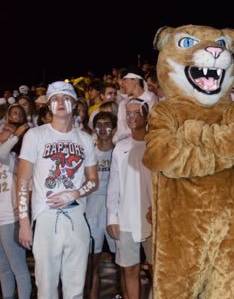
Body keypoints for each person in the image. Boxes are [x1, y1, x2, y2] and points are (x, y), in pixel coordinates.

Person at [16, 81, 99, 299]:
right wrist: (24, 222)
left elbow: (93, 180)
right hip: (45, 217)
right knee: (46, 287)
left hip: (77, 216)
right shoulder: (36, 135)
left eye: (65, 98)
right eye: (55, 99)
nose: (60, 103)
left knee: (75, 288)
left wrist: (76, 192)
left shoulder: (85, 139)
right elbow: (23, 181)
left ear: (74, 102)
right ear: (49, 105)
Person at [107, 98, 153, 299]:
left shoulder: (157, 145)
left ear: (147, 115)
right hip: (126, 219)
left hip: (154, 219)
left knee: (156, 270)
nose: (132, 116)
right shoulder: (120, 147)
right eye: (129, 113)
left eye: (136, 112)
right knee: (130, 269)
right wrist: (112, 217)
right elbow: (114, 185)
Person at [85, 111, 117, 299]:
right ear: (94, 128)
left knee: (123, 262)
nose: (103, 128)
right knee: (92, 264)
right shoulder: (89, 151)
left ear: (114, 129)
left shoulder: (120, 151)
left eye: (107, 124)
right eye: (99, 124)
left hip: (115, 211)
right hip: (92, 210)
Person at [0, 122, 31, 299]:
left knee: (18, 267)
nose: (4, 131)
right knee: (3, 267)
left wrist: (16, 135)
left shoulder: (11, 157)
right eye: (4, 129)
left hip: (9, 219)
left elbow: (2, 152)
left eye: (9, 131)